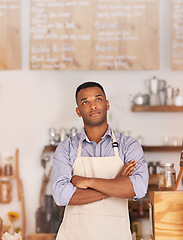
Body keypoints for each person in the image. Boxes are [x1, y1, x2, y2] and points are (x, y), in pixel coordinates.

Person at [51, 82, 149, 240]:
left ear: (107, 104)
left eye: (98, 99)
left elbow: (138, 188)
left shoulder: (129, 145)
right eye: (85, 102)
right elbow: (61, 195)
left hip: (115, 235)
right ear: (78, 111)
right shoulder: (66, 148)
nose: (93, 106)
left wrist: (87, 181)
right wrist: (117, 183)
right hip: (75, 236)